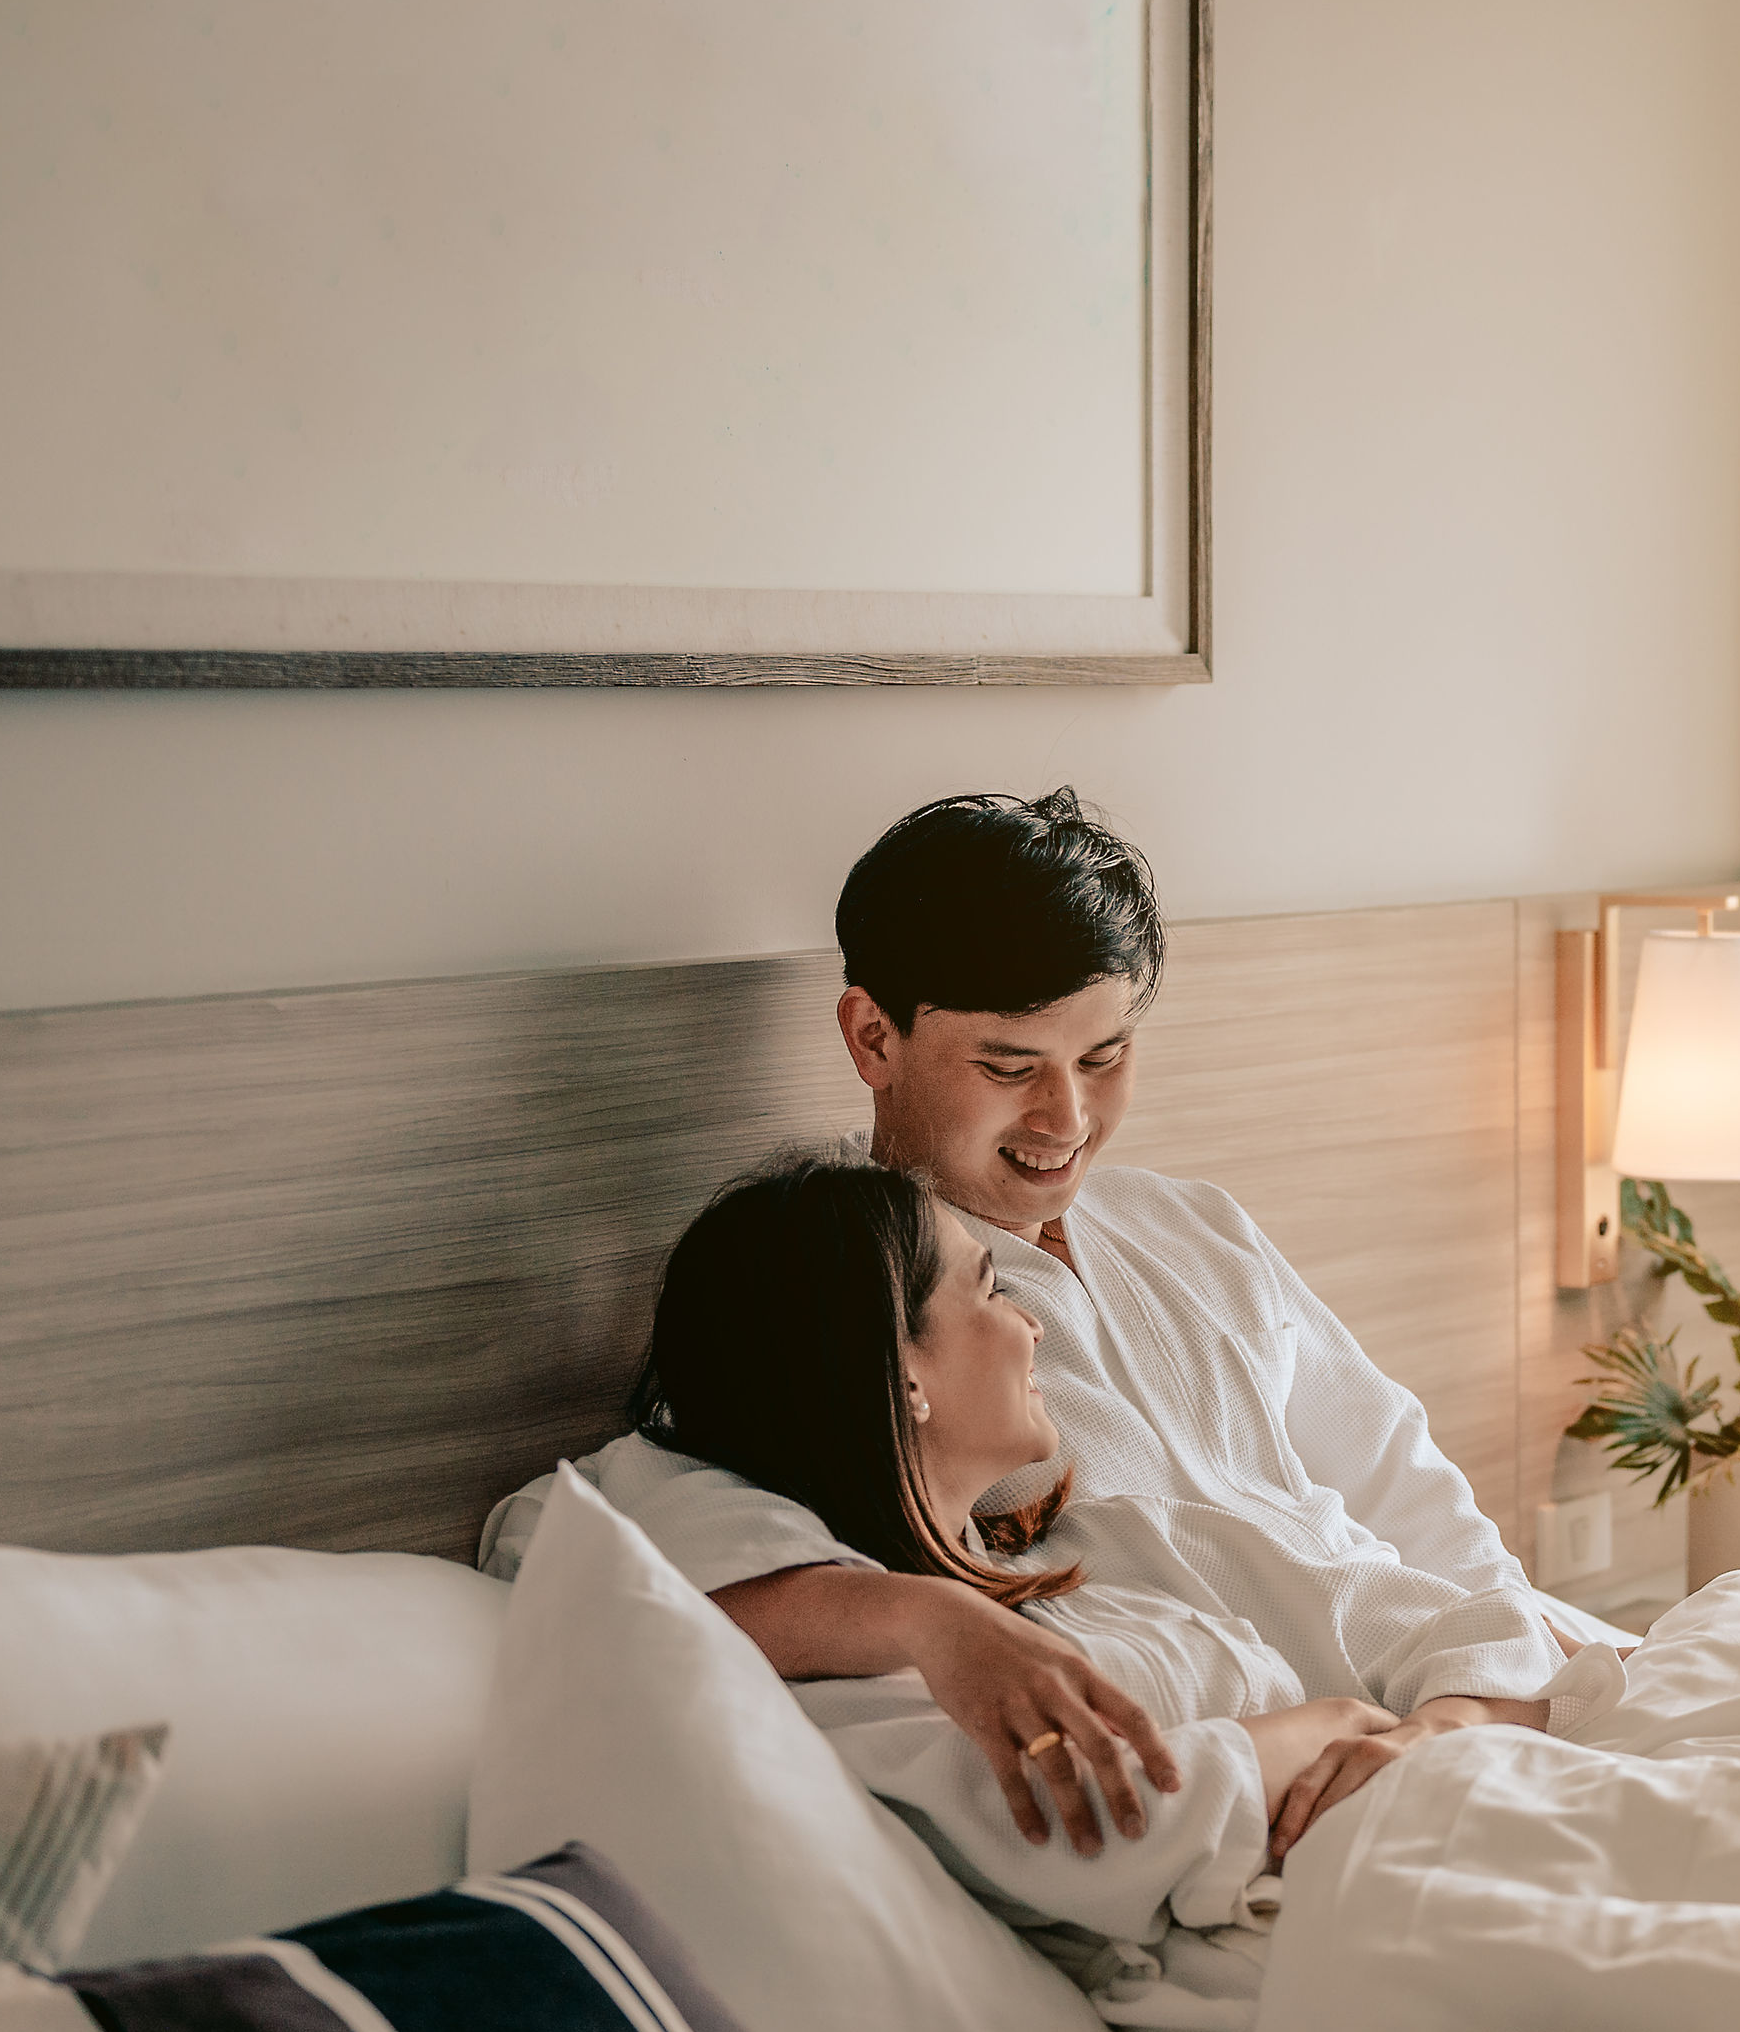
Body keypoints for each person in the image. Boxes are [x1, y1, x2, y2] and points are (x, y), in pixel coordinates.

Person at [484, 790, 1564, 1858]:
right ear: (873, 1036)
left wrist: (1473, 1716)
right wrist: (929, 1619)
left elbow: (1419, 1507)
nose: (1068, 1121)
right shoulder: (830, 1307)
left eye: (1103, 1058)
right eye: (1010, 1068)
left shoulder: (1198, 1228)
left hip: (1473, 1711)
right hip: (1285, 1786)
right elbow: (581, 1543)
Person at [629, 1154, 1439, 1904]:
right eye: (991, 1292)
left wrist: (1433, 1728)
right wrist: (1340, 1725)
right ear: (904, 1371)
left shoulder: (1078, 1561)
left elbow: (1419, 1604)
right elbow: (1112, 1828)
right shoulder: (878, 1676)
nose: (1033, 1326)